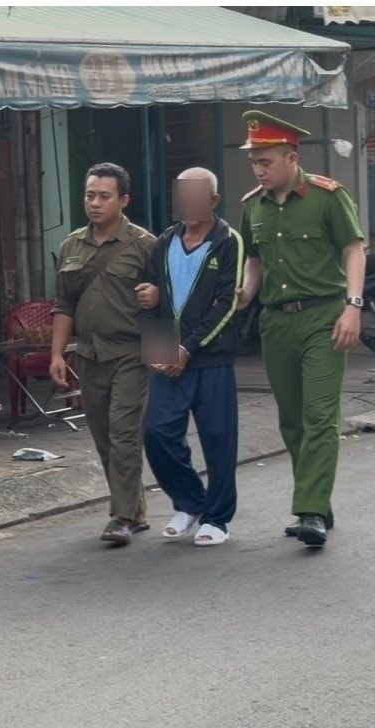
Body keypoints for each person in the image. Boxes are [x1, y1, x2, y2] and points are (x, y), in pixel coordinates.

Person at [235, 110, 366, 548]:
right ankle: (319, 503)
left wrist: (353, 307)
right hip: (276, 322)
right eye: (254, 162)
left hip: (324, 317)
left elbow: (353, 250)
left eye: (266, 161)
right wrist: (245, 292)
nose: (258, 170)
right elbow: (254, 260)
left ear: (292, 158)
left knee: (319, 416)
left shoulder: (328, 197)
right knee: (292, 420)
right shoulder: (252, 205)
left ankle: (309, 511)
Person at [49, 162, 159, 546]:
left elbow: (165, 301)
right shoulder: (71, 245)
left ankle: (122, 517)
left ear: (123, 200)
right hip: (90, 354)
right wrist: (57, 354)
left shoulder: (145, 244)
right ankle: (136, 509)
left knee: (123, 432)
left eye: (104, 196)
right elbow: (63, 304)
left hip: (132, 353)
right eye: (89, 195)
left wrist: (164, 357)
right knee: (102, 435)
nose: (94, 203)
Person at [136, 167, 243, 547]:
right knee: (157, 433)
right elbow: (149, 294)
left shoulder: (227, 241)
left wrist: (189, 347)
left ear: (213, 200)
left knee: (218, 441)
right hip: (169, 357)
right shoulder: (165, 241)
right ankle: (189, 502)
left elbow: (227, 303)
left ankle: (217, 519)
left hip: (210, 358)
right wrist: (158, 348)